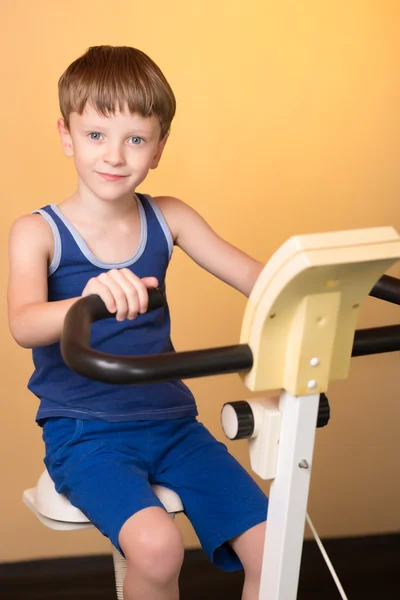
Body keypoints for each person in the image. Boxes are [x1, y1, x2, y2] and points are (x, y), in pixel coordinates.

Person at [7, 45, 268, 600]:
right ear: (66, 135)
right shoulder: (37, 232)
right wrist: (88, 297)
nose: (115, 156)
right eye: (97, 135)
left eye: (135, 139)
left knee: (273, 544)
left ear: (158, 147)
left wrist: (318, 278)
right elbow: (25, 324)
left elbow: (258, 278)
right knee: (156, 547)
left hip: (173, 423)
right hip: (86, 432)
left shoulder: (169, 216)